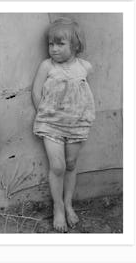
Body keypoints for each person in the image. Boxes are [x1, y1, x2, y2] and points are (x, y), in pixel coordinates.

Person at [32, 17, 95, 232]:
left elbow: (82, 96)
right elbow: (36, 91)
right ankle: (58, 207)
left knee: (70, 164)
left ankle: (68, 203)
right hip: (51, 125)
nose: (54, 49)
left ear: (75, 45)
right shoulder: (46, 66)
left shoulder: (85, 67)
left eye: (60, 44)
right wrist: (46, 115)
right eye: (51, 44)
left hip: (77, 124)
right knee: (57, 166)